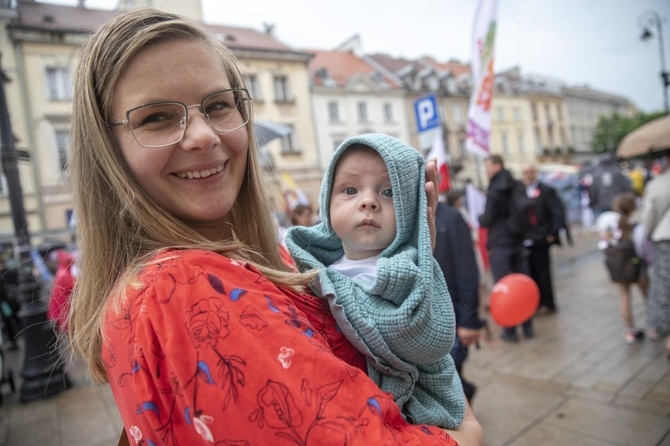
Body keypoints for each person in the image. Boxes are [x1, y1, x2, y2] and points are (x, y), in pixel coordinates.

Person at [66, 9, 482, 445]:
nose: (203, 135)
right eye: (156, 117)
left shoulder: (271, 260)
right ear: (105, 148)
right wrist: (467, 433)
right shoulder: (181, 288)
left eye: (218, 105)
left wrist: (406, 282)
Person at [286, 134, 465, 429]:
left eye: (389, 193)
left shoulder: (407, 272)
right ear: (326, 202)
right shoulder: (311, 270)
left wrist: (424, 264)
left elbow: (430, 336)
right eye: (351, 189)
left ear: (410, 211)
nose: (368, 201)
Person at [435, 196, 485, 404]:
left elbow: (467, 271)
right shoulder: (403, 218)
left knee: (452, 377)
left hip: (452, 317)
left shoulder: (451, 218)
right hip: (424, 321)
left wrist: (468, 320)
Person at [478, 154, 531, 342]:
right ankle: (527, 325)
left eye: (488, 166)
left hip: (500, 242)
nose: (486, 170)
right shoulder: (516, 184)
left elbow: (488, 218)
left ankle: (510, 330)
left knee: (504, 287)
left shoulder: (495, 188)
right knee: (522, 283)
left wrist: (480, 219)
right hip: (518, 240)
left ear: (498, 165)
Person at [519, 163, 565, 314]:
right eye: (524, 173)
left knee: (543, 271)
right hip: (527, 237)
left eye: (529, 173)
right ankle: (536, 302)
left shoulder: (546, 190)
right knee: (531, 272)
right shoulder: (520, 191)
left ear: (535, 174)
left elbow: (557, 212)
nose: (527, 176)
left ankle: (548, 302)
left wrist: (553, 233)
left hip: (542, 236)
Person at [604, 193, 648, 344]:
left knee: (624, 297)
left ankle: (630, 331)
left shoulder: (611, 227)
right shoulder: (638, 227)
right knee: (648, 296)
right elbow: (644, 249)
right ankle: (655, 325)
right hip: (638, 268)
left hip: (620, 270)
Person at [642, 151, 670, 358]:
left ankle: (660, 328)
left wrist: (650, 233)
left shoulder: (658, 184)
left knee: (663, 285)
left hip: (665, 239)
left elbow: (648, 217)